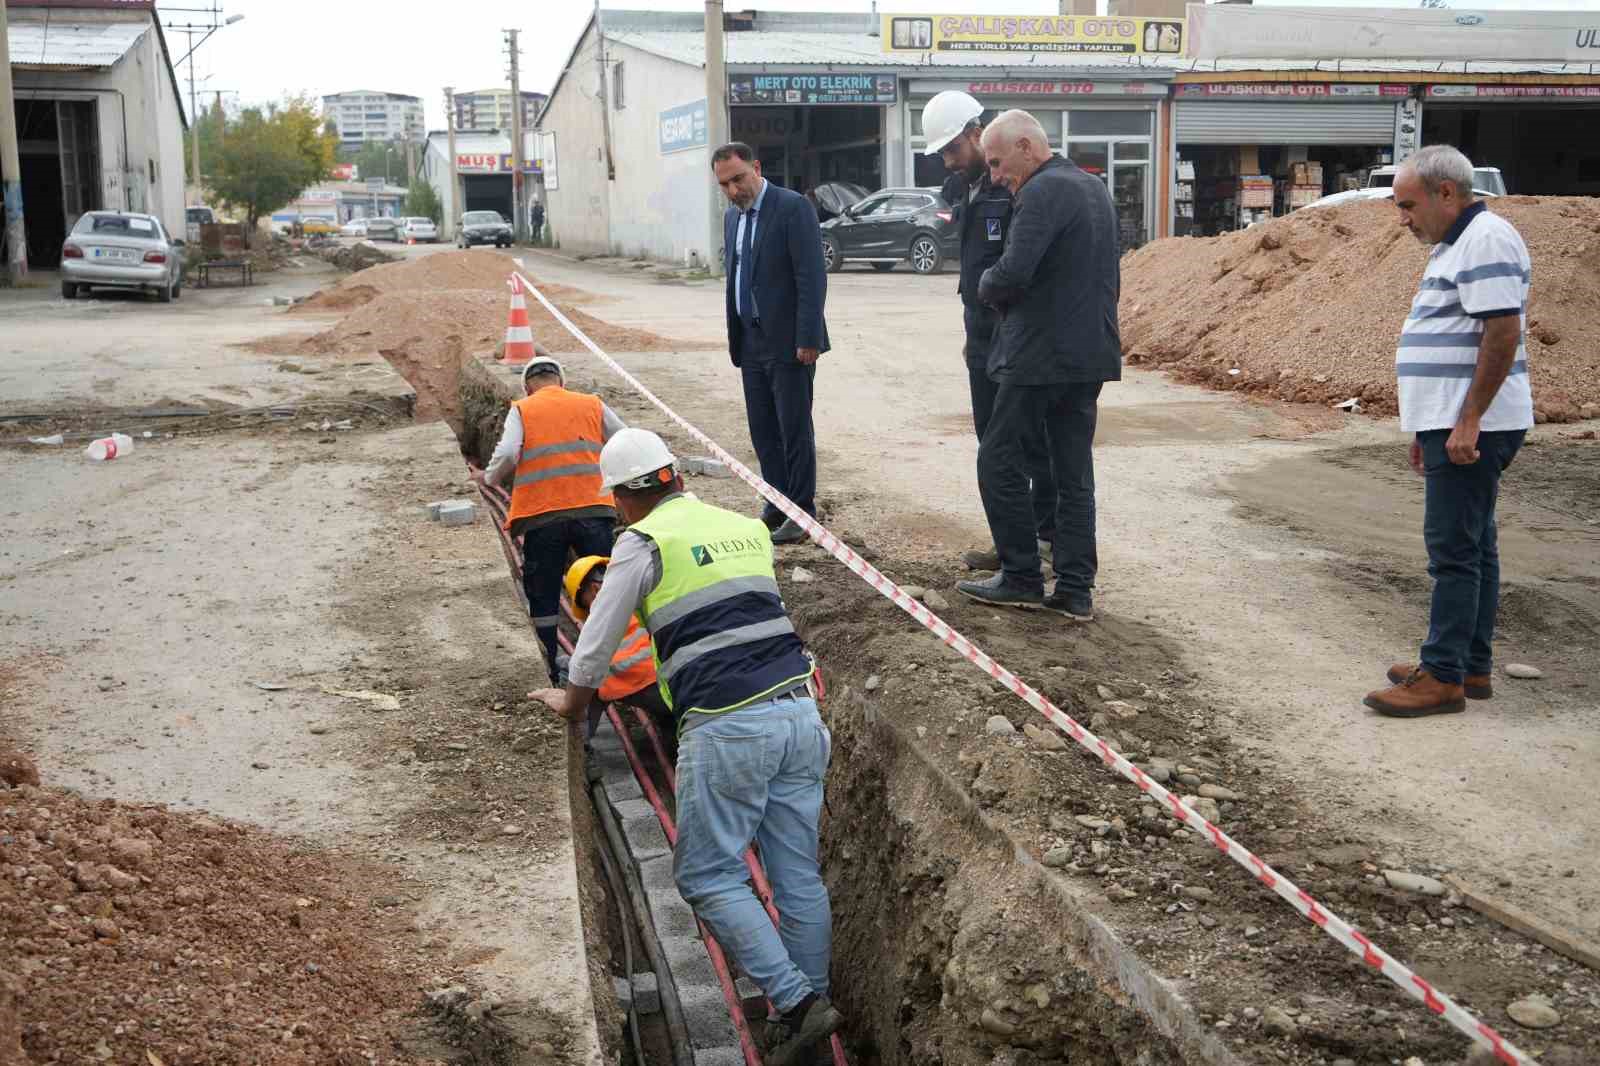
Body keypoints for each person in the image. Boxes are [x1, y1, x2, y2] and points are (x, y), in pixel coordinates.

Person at [534, 427, 842, 1064]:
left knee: (707, 873)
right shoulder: (745, 527)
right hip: (799, 712)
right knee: (796, 877)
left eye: (616, 500)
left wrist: (571, 700)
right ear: (674, 476)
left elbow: (594, 642)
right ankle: (811, 1017)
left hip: (728, 723)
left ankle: (797, 1002)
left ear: (624, 495)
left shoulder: (643, 543)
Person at [1363, 145, 1534, 718]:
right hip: (1453, 421)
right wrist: (1427, 423)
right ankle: (1469, 664)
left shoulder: (1485, 239)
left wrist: (1467, 420)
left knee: (1453, 552)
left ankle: (1441, 676)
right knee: (1475, 546)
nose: (1402, 217)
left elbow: (1501, 333)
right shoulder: (1456, 244)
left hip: (1474, 425)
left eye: (1408, 204)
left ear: (1446, 193)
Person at [954, 110, 1122, 621]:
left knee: (997, 457)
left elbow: (1010, 273)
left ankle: (1022, 575)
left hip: (1039, 356)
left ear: (1027, 146)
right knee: (1073, 472)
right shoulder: (1093, 188)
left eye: (1000, 163)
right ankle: (1075, 590)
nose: (998, 176)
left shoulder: (1042, 192)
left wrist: (982, 286)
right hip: (1088, 353)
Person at [921, 90, 1058, 574]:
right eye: (941, 152)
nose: (947, 160)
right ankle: (1010, 541)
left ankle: (1044, 539)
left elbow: (1020, 269)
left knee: (1025, 444)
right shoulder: (968, 189)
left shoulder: (1017, 187)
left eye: (952, 149)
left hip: (1015, 336)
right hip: (980, 335)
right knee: (992, 442)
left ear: (977, 136)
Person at [474, 356, 626, 684]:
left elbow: (509, 452)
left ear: (528, 386)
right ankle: (616, 661)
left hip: (542, 517)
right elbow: (624, 440)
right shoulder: (591, 404)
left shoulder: (523, 408)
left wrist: (490, 480)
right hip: (594, 511)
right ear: (561, 381)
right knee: (604, 587)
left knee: (543, 591)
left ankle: (552, 669)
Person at [713, 141, 831, 546]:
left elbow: (811, 277)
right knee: (763, 430)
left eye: (738, 179)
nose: (733, 190)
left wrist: (808, 336)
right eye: (724, 184)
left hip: (788, 342)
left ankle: (802, 511)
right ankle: (776, 503)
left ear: (757, 168)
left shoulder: (792, 207)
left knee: (793, 428)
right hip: (750, 342)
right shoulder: (733, 219)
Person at [526, 555, 678, 755]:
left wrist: (566, 676)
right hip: (681, 684)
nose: (589, 612)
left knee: (584, 680)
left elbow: (588, 664)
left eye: (584, 605)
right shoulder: (645, 595)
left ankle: (580, 748)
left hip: (650, 687)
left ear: (594, 590)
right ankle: (674, 742)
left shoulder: (605, 616)